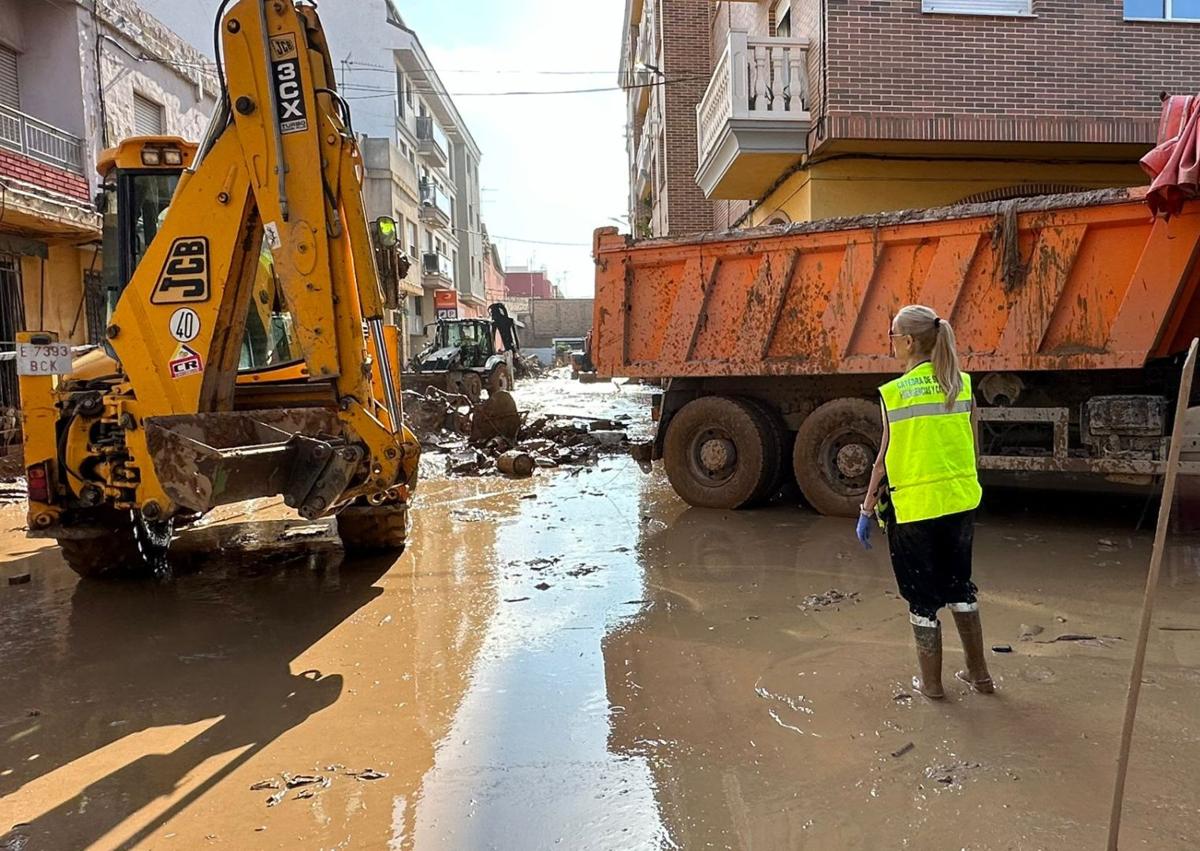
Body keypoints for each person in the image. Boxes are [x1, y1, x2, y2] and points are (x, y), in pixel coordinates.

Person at [856, 305, 993, 699]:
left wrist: (866, 510)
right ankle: (979, 676)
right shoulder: (961, 384)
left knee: (921, 598)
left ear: (910, 341)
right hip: (960, 504)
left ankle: (931, 686)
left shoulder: (894, 394)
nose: (891, 343)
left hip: (914, 509)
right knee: (960, 587)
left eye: (893, 335)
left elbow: (882, 460)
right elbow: (972, 446)